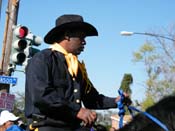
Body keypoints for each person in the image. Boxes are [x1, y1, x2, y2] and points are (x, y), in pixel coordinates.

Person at [25, 14, 131, 131]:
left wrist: (116, 101)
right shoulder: (42, 59)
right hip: (46, 127)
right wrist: (77, 110)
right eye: (81, 38)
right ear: (67, 35)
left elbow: (92, 99)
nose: (84, 42)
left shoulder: (77, 67)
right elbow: (41, 96)